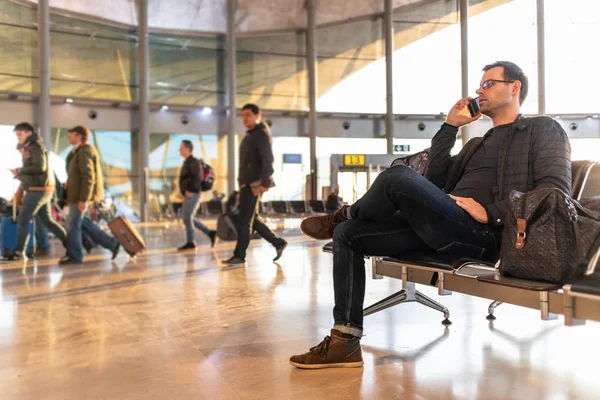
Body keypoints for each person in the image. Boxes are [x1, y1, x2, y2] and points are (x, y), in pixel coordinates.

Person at [289, 61, 571, 369]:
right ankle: (345, 340)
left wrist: (490, 213)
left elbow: (553, 191)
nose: (479, 89)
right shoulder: (477, 143)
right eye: (480, 85)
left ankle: (344, 214)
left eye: (489, 83)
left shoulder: (543, 129)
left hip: (487, 237)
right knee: (349, 235)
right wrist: (450, 128)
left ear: (515, 88)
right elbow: (436, 182)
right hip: (445, 226)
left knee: (396, 176)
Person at [222, 103, 288, 266]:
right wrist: (241, 186)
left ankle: (239, 256)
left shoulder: (260, 134)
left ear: (257, 115)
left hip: (255, 185)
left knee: (245, 220)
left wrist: (265, 182)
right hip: (247, 185)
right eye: (243, 115)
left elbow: (268, 160)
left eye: (248, 115)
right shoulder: (251, 135)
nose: (244, 118)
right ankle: (278, 243)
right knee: (253, 218)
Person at [9, 122, 67, 261]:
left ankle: (18, 252)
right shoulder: (34, 146)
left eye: (19, 134)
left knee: (23, 219)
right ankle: (72, 245)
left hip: (37, 191)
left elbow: (40, 167)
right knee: (48, 221)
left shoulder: (34, 147)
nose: (18, 137)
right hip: (42, 189)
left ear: (28, 133)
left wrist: (21, 170)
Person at [59, 126, 117, 265]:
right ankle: (112, 243)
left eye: (71, 134)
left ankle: (75, 256)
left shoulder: (85, 152)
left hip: (82, 196)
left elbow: (88, 177)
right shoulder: (76, 152)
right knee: (82, 223)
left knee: (73, 225)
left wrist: (84, 199)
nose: (69, 136)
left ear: (79, 136)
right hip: (77, 195)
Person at [177, 140, 217, 251]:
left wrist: (189, 190)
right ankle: (211, 233)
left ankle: (191, 242)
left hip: (192, 193)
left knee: (187, 218)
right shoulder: (187, 162)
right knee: (188, 218)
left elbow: (197, 178)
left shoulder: (193, 161)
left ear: (187, 149)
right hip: (190, 193)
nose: (180, 150)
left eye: (181, 148)